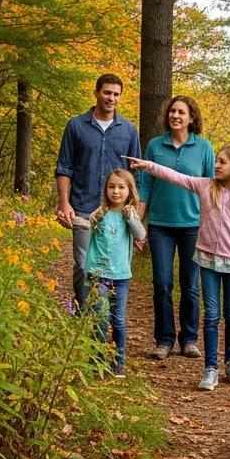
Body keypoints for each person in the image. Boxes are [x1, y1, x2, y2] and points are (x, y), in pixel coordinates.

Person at [129, 146, 230, 391]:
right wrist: (149, 166)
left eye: (222, 162)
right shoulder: (205, 186)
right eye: (217, 161)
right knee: (211, 314)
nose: (217, 165)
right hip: (208, 260)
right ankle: (210, 368)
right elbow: (177, 177)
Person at [136, 95, 215, 360]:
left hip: (193, 225)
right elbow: (145, 185)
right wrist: (139, 225)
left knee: (191, 285)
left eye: (181, 112)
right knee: (162, 283)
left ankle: (190, 339)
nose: (175, 116)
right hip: (160, 225)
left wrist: (213, 225)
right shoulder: (155, 145)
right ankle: (164, 339)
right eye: (172, 111)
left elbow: (211, 188)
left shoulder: (203, 147)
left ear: (192, 117)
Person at [55, 74, 141, 313]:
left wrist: (134, 216)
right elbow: (64, 167)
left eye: (115, 94)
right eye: (107, 92)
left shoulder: (129, 131)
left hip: (115, 212)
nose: (111, 98)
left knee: (109, 266)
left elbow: (134, 177)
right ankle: (84, 313)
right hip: (83, 206)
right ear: (96, 93)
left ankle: (103, 317)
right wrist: (64, 202)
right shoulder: (76, 125)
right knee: (83, 265)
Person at [86, 169, 146, 377]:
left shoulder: (129, 215)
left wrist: (131, 217)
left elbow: (140, 235)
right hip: (97, 273)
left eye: (121, 187)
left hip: (120, 276)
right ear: (106, 190)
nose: (116, 191)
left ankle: (118, 361)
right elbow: (85, 228)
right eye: (112, 187)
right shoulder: (100, 213)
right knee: (100, 318)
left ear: (129, 191)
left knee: (118, 319)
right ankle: (97, 360)